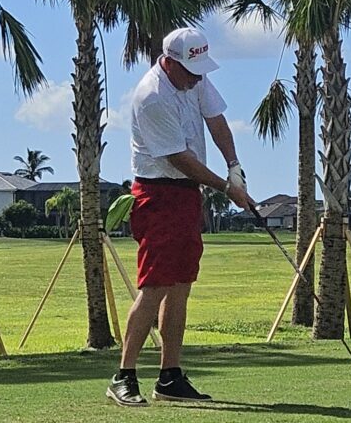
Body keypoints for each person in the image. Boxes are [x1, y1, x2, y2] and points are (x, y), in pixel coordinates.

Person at [107, 27, 255, 406]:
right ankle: (123, 376)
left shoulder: (195, 78)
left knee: (180, 286)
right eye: (190, 71)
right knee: (154, 287)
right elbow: (179, 159)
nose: (196, 78)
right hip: (157, 193)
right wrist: (227, 187)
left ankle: (170, 377)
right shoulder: (151, 96)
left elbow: (216, 119)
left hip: (187, 194)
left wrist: (234, 166)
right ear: (170, 63)